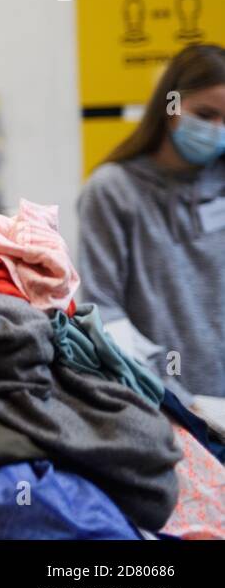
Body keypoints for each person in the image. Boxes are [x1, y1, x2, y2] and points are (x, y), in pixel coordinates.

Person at [77, 42, 225, 398]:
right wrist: (176, 399)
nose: (218, 130)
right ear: (169, 107)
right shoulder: (114, 191)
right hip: (163, 405)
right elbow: (104, 311)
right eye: (204, 115)